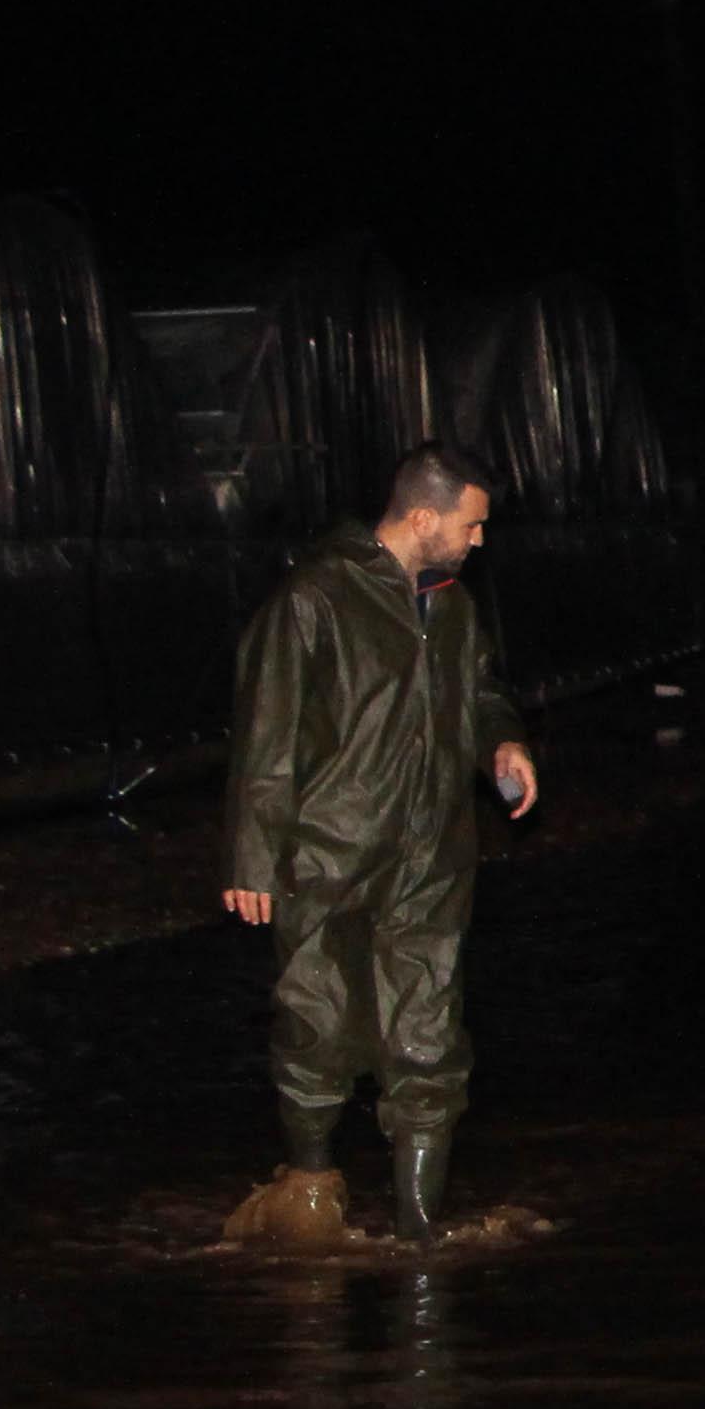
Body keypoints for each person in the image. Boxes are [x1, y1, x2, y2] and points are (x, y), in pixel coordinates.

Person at [219, 441, 537, 1245]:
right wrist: (253, 857)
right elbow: (266, 730)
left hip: (433, 854)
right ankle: (309, 1191)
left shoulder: (453, 607)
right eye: (470, 525)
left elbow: (481, 690)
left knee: (429, 1039)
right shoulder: (315, 597)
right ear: (423, 517)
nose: (478, 540)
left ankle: (420, 1237)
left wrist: (502, 742)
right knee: (317, 1023)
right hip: (330, 850)